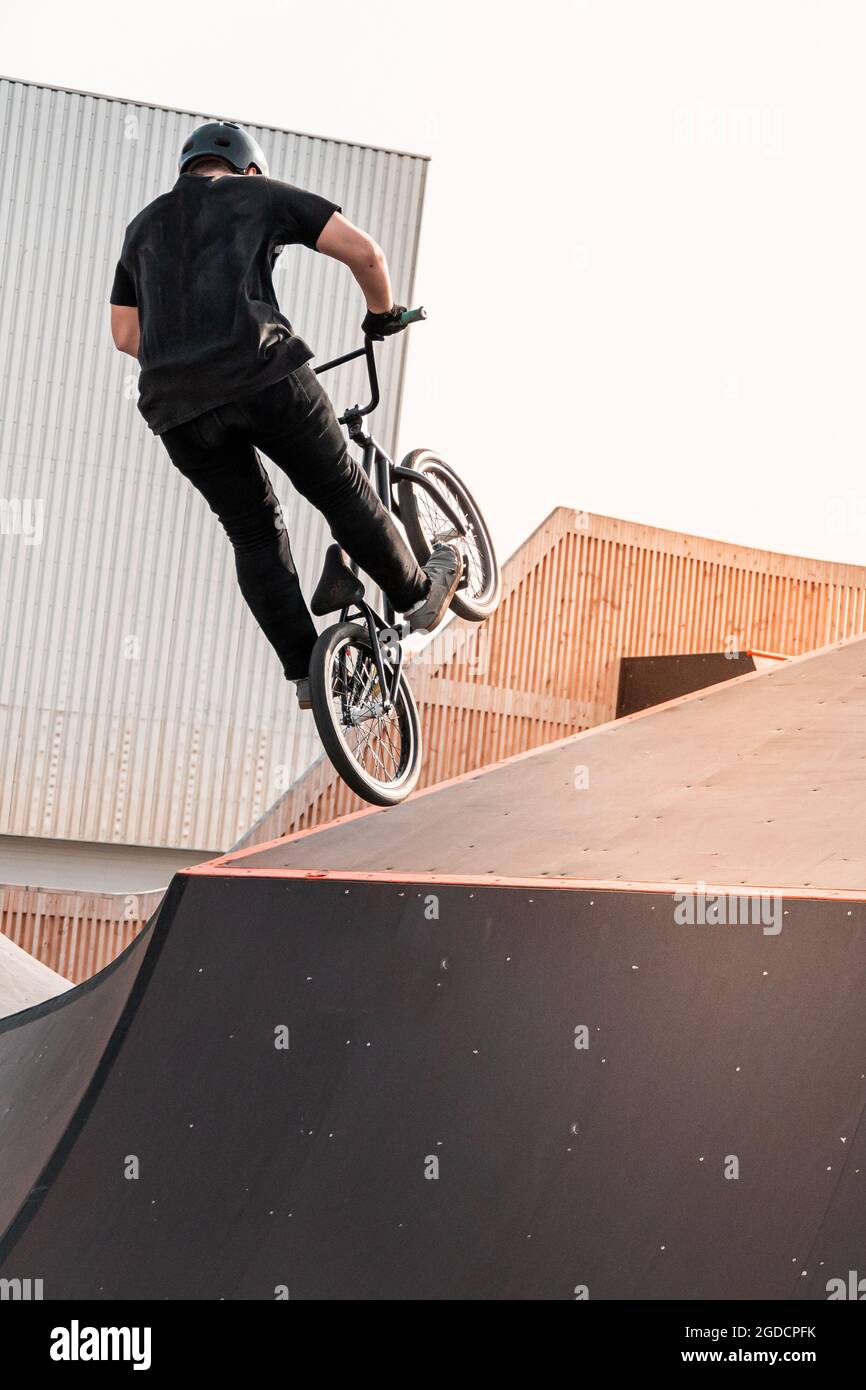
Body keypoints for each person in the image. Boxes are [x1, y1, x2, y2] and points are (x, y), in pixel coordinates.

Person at [109, 120, 460, 708]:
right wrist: (383, 313)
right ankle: (416, 592)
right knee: (338, 487)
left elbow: (125, 335)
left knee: (252, 530)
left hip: (176, 408)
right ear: (249, 169)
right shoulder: (258, 193)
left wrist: (187, 354)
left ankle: (305, 672)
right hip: (262, 372)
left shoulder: (142, 226)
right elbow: (364, 252)